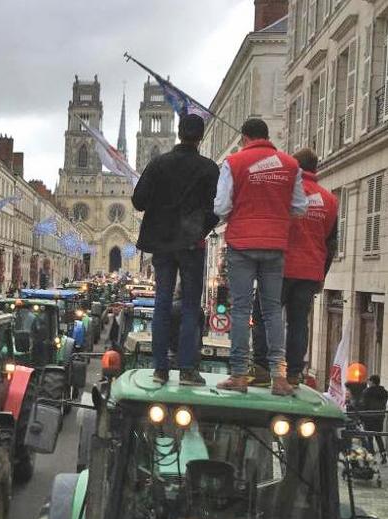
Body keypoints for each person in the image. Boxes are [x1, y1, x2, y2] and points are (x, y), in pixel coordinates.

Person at [214, 118, 308, 396]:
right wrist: (277, 217)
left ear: (245, 138)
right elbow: (300, 207)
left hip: (242, 243)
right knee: (271, 312)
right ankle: (279, 378)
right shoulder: (291, 165)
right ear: (267, 137)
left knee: (242, 310)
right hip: (275, 245)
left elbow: (221, 206)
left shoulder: (234, 162)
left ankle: (239, 375)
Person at [132, 113, 219, 386]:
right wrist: (202, 226)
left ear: (178, 133)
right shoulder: (209, 168)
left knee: (162, 303)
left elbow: (138, 201)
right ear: (200, 137)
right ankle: (187, 370)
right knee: (191, 306)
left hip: (162, 243)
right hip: (191, 242)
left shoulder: (158, 164)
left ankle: (160, 369)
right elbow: (216, 208)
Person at [249, 148, 339, 388]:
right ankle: (294, 373)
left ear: (295, 168)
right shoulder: (330, 200)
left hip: (279, 267)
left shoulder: (285, 195)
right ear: (315, 168)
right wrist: (322, 274)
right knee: (299, 323)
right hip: (310, 271)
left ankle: (261, 367)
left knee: (264, 315)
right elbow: (331, 243)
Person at [358, 375, 388, 463]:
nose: (368, 382)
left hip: (369, 417)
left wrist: (361, 418)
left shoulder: (366, 392)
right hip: (379, 417)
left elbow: (363, 405)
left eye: (369, 381)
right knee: (378, 436)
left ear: (372, 382)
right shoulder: (384, 392)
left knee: (369, 437)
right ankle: (383, 455)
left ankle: (372, 456)